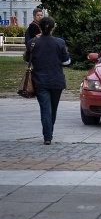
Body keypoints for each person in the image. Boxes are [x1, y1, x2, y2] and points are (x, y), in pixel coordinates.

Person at [30, 16, 71, 145]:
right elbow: (66, 62)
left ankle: (47, 136)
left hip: (40, 80)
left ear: (40, 27)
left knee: (45, 109)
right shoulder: (60, 42)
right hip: (56, 80)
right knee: (53, 109)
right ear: (52, 28)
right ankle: (49, 133)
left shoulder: (33, 42)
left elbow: (27, 59)